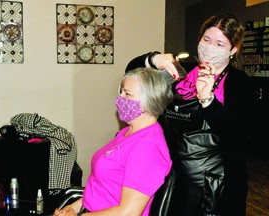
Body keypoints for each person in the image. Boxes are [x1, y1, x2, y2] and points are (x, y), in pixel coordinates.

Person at [125, 14, 256, 216]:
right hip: (173, 176)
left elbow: (243, 135)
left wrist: (208, 101)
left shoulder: (240, 83)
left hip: (216, 184)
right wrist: (153, 58)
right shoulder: (180, 72)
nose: (210, 47)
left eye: (220, 44)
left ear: (233, 50)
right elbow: (132, 75)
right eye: (206, 40)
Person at [53, 67, 173, 216]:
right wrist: (74, 208)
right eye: (121, 92)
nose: (120, 99)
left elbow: (128, 212)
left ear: (150, 101)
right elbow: (103, 187)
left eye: (127, 94)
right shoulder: (127, 132)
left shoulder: (148, 148)